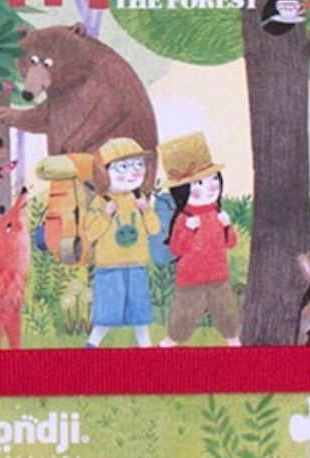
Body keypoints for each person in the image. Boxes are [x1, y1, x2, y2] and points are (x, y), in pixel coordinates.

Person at [157, 132, 241, 347]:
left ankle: (233, 340)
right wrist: (188, 230)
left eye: (214, 179)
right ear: (183, 191)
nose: (211, 186)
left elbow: (230, 242)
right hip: (191, 278)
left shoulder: (216, 213)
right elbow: (177, 249)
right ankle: (171, 341)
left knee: (226, 311)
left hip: (218, 275)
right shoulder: (184, 218)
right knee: (185, 313)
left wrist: (227, 226)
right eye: (200, 183)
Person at [83, 138, 161, 348]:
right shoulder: (101, 202)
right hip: (109, 266)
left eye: (138, 165)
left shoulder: (140, 199)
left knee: (139, 312)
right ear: (104, 172)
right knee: (107, 313)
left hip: (136, 264)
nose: (133, 172)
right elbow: (90, 233)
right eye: (123, 167)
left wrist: (146, 211)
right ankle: (92, 344)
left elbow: (154, 229)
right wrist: (106, 216)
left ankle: (146, 347)